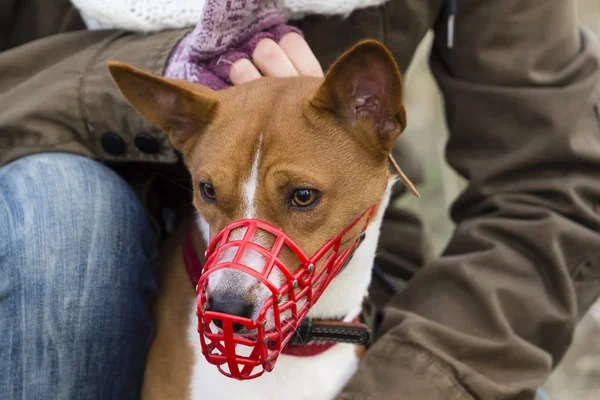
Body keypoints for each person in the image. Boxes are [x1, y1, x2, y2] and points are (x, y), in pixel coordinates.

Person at [0, 1, 598, 399]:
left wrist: (416, 380)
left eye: (301, 197)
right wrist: (176, 69)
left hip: (354, 295)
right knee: (65, 221)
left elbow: (552, 183)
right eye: (212, 194)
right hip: (55, 221)